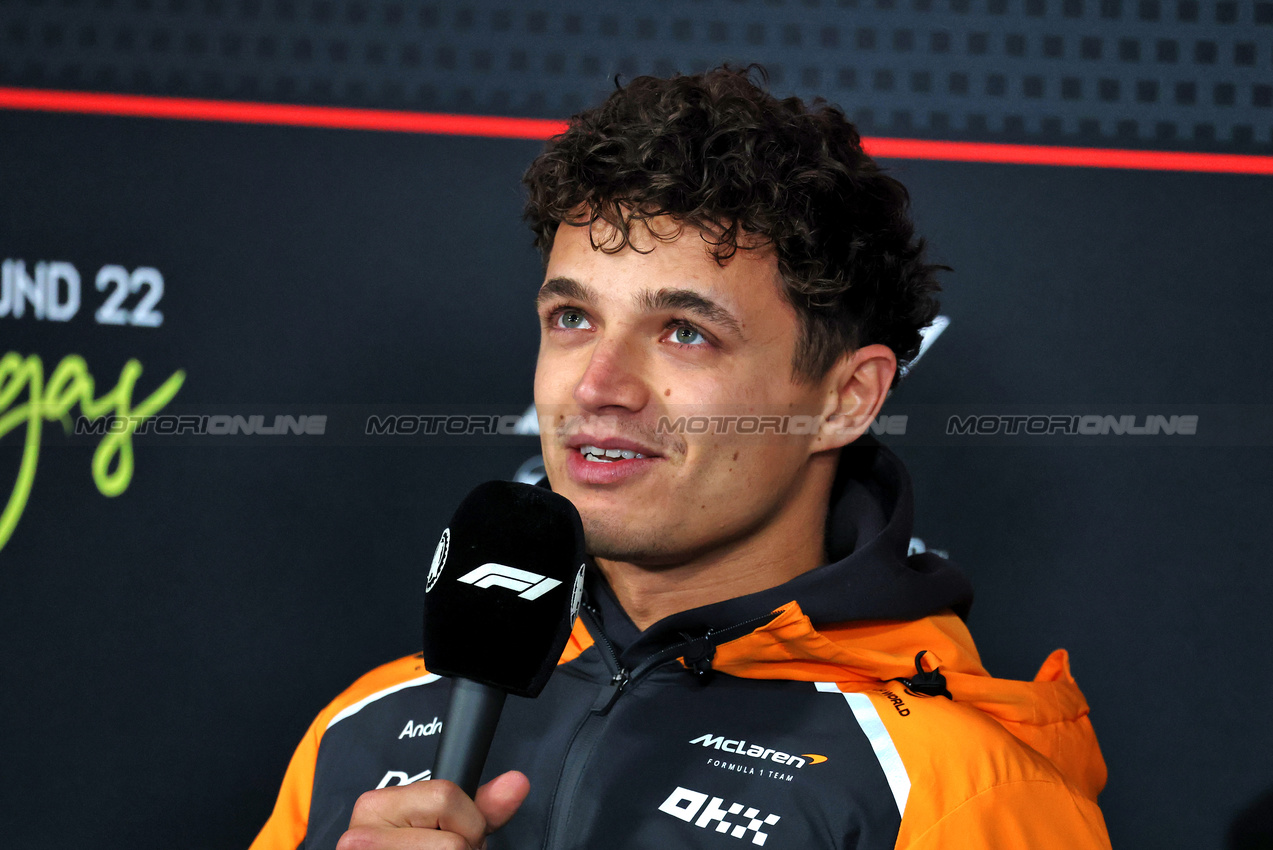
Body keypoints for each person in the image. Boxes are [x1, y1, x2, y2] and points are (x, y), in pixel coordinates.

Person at [251, 66, 1111, 850]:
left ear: (844, 400)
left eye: (684, 333)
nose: (598, 385)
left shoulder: (957, 792)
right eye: (573, 318)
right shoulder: (365, 725)